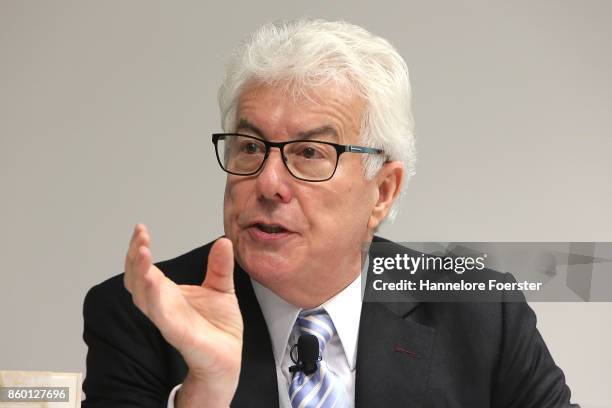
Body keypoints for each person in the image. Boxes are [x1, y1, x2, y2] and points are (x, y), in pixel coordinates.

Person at [81, 19, 575, 407]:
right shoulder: (140, 315)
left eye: (310, 153)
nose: (268, 183)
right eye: (250, 147)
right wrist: (204, 393)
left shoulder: (480, 312)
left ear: (382, 191)